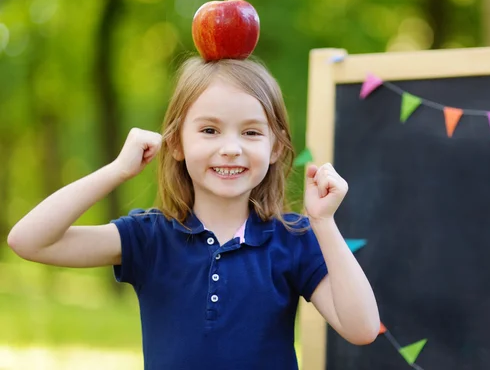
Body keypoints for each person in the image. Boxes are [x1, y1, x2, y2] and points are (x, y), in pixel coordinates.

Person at [7, 55, 380, 369]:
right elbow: (28, 240)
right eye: (210, 130)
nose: (231, 148)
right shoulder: (148, 237)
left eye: (251, 133)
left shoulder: (293, 238)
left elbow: (362, 328)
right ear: (177, 143)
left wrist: (323, 222)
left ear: (276, 148)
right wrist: (118, 170)